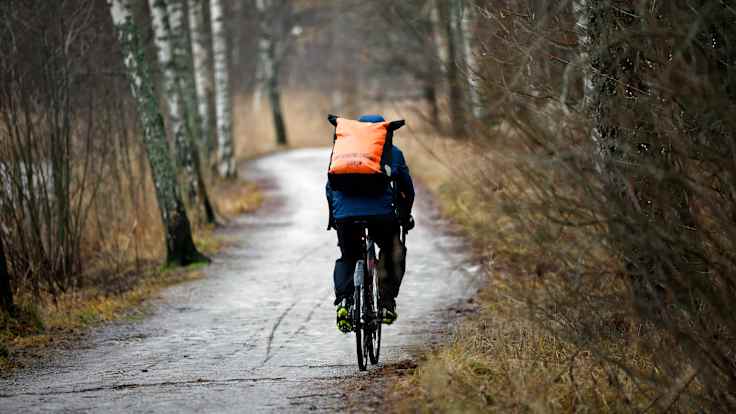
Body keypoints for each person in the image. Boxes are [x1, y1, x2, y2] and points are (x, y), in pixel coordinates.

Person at [326, 114, 415, 333]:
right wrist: (405, 215)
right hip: (381, 216)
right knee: (392, 249)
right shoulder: (393, 153)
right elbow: (407, 190)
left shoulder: (343, 152)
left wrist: (335, 218)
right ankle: (385, 304)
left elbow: (330, 188)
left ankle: (346, 303)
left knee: (348, 256)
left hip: (345, 217)